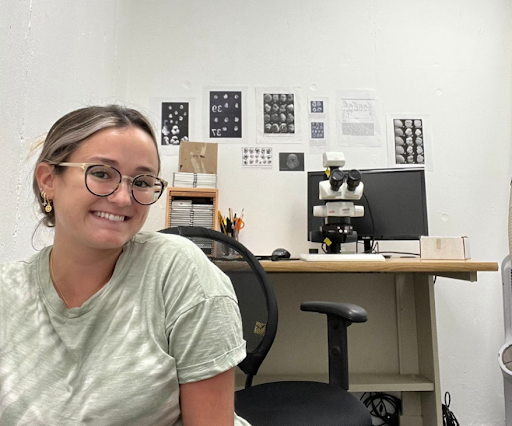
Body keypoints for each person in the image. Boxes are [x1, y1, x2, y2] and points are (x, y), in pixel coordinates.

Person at [0, 105, 251, 426]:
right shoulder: (8, 292)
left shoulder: (180, 274)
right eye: (102, 173)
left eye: (142, 181)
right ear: (49, 179)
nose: (123, 198)